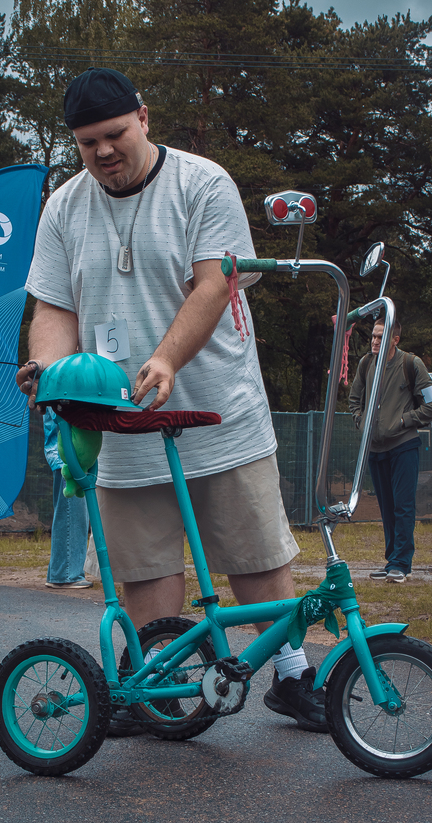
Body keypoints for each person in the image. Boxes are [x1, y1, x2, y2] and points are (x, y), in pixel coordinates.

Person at [16, 67, 325, 734]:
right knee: (145, 566)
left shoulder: (202, 182)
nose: (102, 152)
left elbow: (215, 285)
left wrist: (165, 358)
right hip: (119, 423)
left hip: (216, 409)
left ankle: (295, 678)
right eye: (87, 142)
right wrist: (47, 367)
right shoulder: (64, 207)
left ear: (144, 119)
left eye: (114, 135)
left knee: (255, 557)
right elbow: (52, 306)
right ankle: (157, 689)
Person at [348, 316, 432, 582]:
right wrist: (361, 421)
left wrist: (403, 421)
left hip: (403, 445)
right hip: (375, 449)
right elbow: (354, 400)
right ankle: (392, 561)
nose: (375, 341)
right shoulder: (366, 363)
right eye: (373, 336)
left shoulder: (411, 364)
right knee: (387, 507)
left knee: (403, 506)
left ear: (395, 339)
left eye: (381, 336)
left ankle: (401, 563)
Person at [43, 408, 93, 589]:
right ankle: (66, 574)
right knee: (72, 513)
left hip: (69, 454)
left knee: (73, 513)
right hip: (69, 456)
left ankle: (62, 572)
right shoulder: (58, 382)